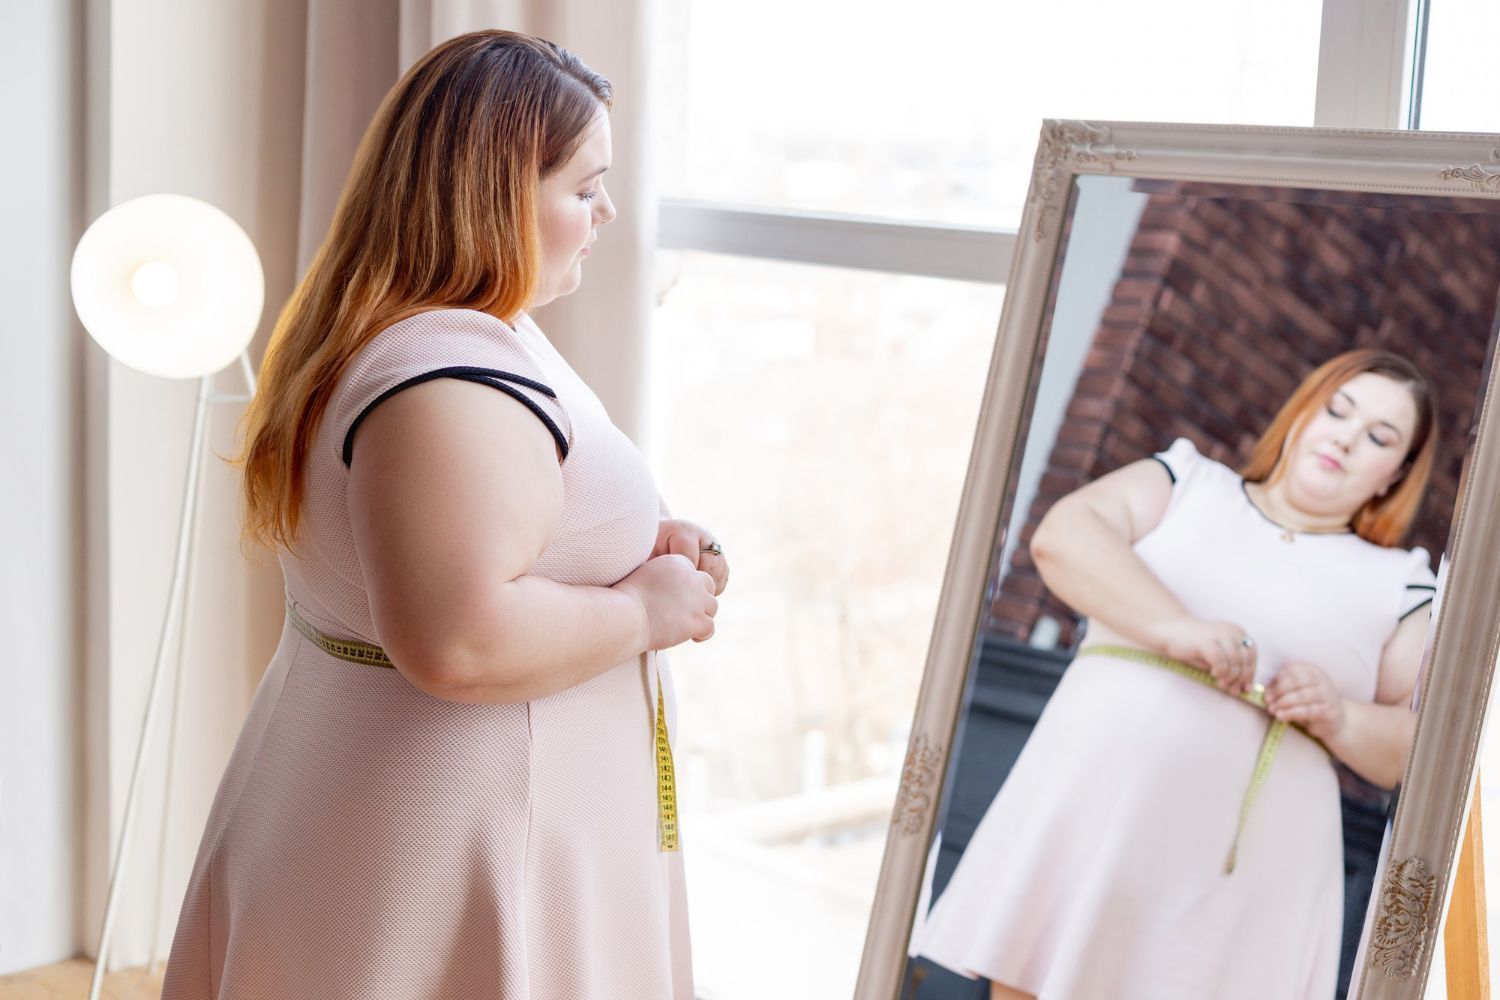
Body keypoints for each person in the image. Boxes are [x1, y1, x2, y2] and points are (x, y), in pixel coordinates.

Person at [160, 31, 725, 1000]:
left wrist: (650, 548)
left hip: (437, 815)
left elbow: (522, 514)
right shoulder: (446, 386)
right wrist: (647, 611)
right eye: (583, 187)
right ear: (498, 193)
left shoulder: (462, 331)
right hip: (453, 835)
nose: (607, 212)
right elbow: (459, 640)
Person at [908, 349, 1439, 1000]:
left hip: (1246, 869)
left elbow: (1426, 749)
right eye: (1338, 410)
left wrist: (1341, 715)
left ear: (1397, 474)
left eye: (1380, 437)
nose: (1347, 438)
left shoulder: (1401, 583)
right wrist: (1174, 627)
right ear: (1304, 412)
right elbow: (1064, 536)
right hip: (1097, 806)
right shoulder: (1186, 481)